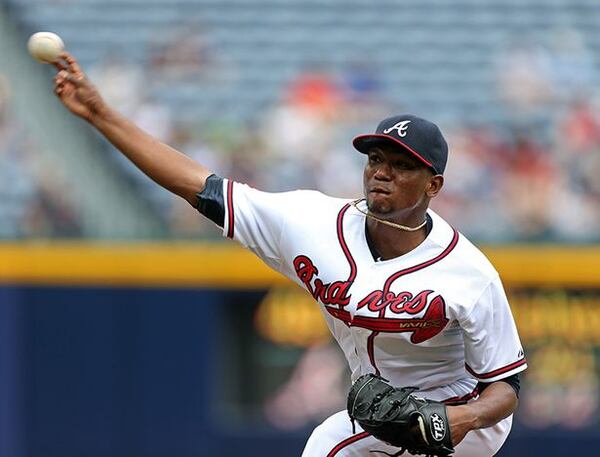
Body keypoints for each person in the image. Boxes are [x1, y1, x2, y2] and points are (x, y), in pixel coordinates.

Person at [51, 52, 527, 457]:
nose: (382, 172)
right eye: (376, 159)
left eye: (402, 166)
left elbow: (507, 387)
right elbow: (199, 186)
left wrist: (456, 419)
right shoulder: (312, 223)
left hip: (463, 417)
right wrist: (100, 114)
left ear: (434, 185)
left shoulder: (468, 273)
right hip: (383, 409)